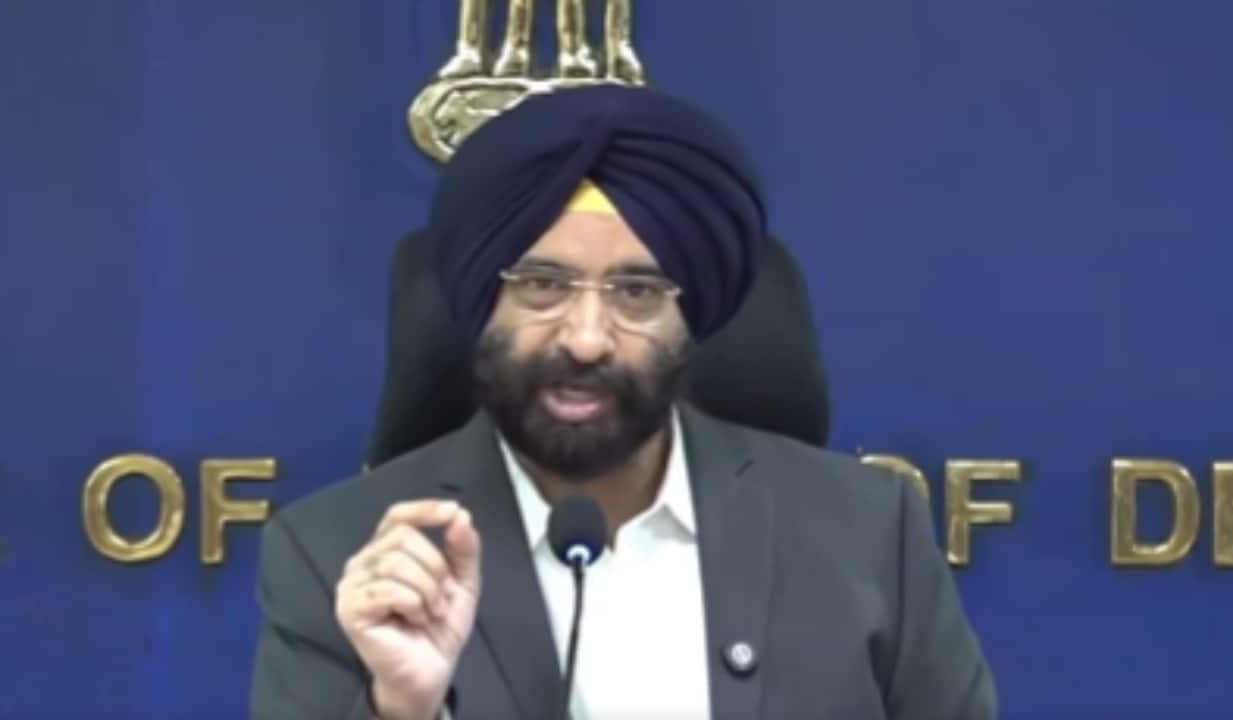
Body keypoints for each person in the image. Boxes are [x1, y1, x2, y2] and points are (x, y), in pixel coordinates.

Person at [248, 84, 997, 720]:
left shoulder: (868, 532)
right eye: (542, 286)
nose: (585, 338)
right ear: (482, 305)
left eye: (637, 292)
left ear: (690, 318)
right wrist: (403, 710)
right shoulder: (339, 558)